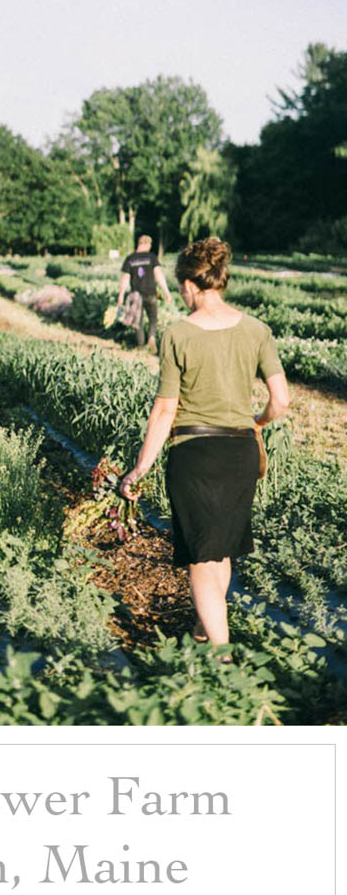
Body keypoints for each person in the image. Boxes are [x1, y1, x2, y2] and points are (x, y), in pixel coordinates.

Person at [119, 236, 289, 650]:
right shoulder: (256, 330)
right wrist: (257, 423)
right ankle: (202, 627)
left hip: (194, 455)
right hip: (240, 453)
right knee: (221, 549)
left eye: (180, 285)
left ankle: (221, 658)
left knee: (199, 555)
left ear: (191, 284)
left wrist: (139, 467)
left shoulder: (178, 334)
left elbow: (164, 410)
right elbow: (281, 400)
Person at [117, 234, 173, 351]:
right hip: (151, 293)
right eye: (150, 244)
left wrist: (121, 295)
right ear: (146, 244)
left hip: (136, 295)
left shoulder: (130, 258)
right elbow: (159, 276)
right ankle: (151, 338)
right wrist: (166, 292)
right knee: (153, 318)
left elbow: (125, 279)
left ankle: (140, 345)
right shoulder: (151, 257)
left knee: (138, 321)